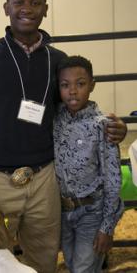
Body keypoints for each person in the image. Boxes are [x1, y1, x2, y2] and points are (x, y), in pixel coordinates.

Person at [0, 0, 127, 273]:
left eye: (35, 2)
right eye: (19, 1)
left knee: (43, 260)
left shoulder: (59, 61)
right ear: (6, 8)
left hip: (44, 179)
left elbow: (74, 108)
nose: (26, 8)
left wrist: (112, 126)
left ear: (46, 9)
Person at [53, 55, 124, 273]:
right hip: (63, 212)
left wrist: (107, 227)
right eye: (65, 85)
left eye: (80, 84)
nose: (72, 91)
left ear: (92, 85)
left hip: (91, 213)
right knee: (75, 265)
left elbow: (113, 179)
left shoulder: (103, 126)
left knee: (83, 269)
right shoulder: (55, 118)